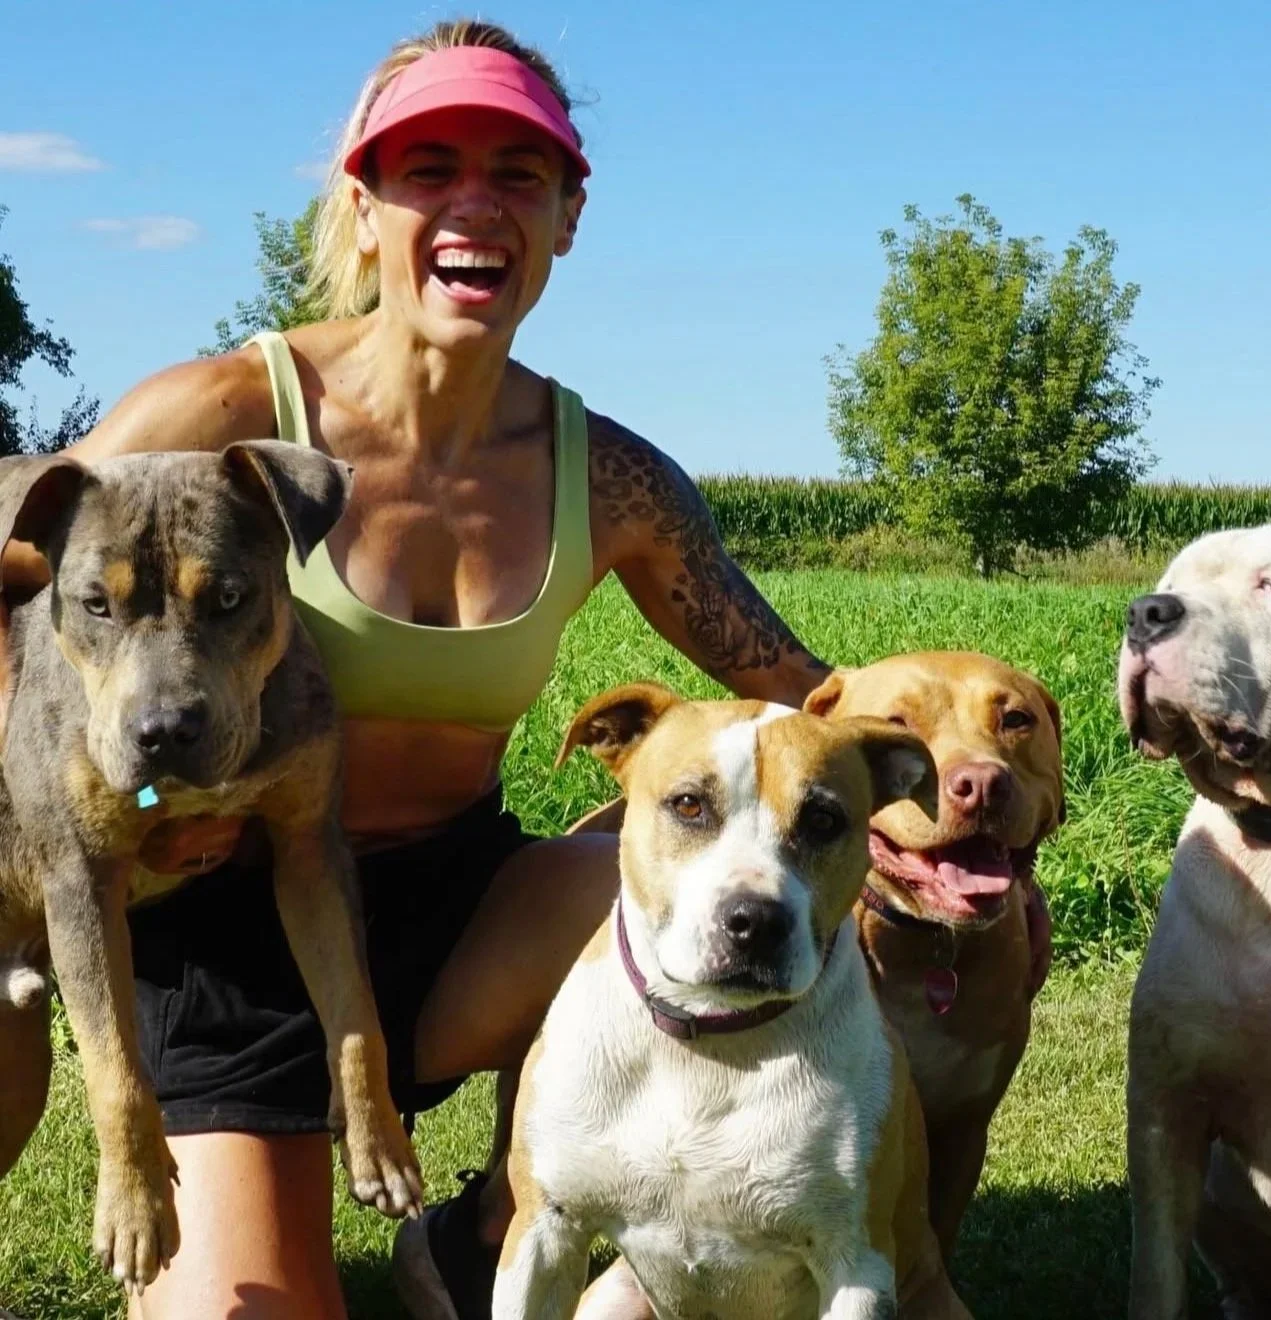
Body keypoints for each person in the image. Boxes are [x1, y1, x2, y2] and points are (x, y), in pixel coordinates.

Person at [0, 19, 832, 1320]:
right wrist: (84, 795)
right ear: (364, 202)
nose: (473, 206)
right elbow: (29, 576)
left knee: (673, 872)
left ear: (567, 213)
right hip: (226, 924)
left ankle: (499, 1222)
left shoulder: (605, 474)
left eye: (517, 173)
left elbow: (795, 686)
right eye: (428, 167)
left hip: (461, 915)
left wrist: (952, 788)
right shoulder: (220, 415)